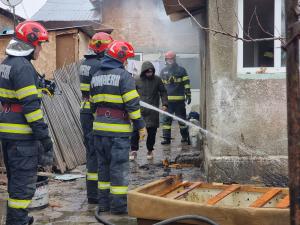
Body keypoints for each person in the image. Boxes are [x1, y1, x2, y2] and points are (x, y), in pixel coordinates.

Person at [0, 21, 53, 225]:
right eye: (40, 44)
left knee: (15, 184)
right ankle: (17, 221)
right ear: (30, 43)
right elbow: (31, 110)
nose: (41, 48)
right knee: (23, 187)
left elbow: (15, 95)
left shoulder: (7, 63)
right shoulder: (23, 67)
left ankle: (18, 218)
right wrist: (45, 139)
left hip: (9, 136)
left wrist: (39, 86)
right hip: (23, 138)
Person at [90, 41, 145, 214]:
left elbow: (92, 106)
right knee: (118, 169)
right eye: (127, 59)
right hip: (118, 133)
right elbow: (132, 105)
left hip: (99, 130)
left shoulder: (96, 75)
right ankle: (119, 208)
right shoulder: (124, 76)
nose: (127, 62)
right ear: (120, 58)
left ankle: (104, 204)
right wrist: (141, 126)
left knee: (103, 168)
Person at [79, 32, 113, 204]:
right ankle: (99, 195)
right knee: (98, 153)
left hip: (85, 110)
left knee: (90, 153)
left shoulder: (85, 63)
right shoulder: (99, 66)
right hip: (94, 112)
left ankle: (92, 195)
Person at [130, 61, 168, 160]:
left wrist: (164, 104)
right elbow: (131, 93)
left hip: (152, 112)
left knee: (152, 132)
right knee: (135, 131)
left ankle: (150, 150)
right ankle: (133, 150)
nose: (149, 74)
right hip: (139, 111)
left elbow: (163, 92)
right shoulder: (136, 79)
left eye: (151, 72)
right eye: (147, 72)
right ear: (143, 72)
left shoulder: (157, 80)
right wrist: (131, 106)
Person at [160, 50, 191, 145]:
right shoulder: (163, 71)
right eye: (168, 59)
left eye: (171, 59)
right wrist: (161, 98)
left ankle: (185, 137)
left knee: (181, 121)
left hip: (179, 102)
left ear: (174, 59)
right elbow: (161, 87)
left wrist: (188, 94)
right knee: (166, 121)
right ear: (166, 59)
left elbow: (186, 83)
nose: (169, 60)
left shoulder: (181, 70)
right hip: (168, 102)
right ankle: (166, 139)